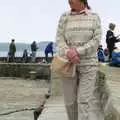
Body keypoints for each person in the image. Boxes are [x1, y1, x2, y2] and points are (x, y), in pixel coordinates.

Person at [55, 0, 103, 120]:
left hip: (89, 65)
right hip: (67, 64)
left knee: (83, 101)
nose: (69, 0)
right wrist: (68, 53)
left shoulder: (94, 17)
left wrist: (77, 52)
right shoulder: (64, 17)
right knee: (69, 102)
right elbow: (59, 39)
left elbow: (96, 41)